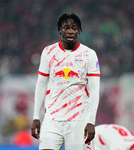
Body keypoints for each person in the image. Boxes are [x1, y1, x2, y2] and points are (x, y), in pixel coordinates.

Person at [31, 13, 100, 150]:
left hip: (78, 119)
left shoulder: (89, 54)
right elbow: (41, 84)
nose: (70, 31)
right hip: (52, 118)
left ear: (78, 31)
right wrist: (36, 117)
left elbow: (95, 89)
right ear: (60, 30)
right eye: (66, 27)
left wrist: (91, 121)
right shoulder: (48, 52)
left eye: (74, 28)